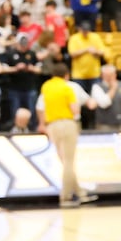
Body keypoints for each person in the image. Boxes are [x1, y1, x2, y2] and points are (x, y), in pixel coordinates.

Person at [39, 62, 93, 207]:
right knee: (69, 162)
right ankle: (66, 197)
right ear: (66, 75)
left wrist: (42, 124)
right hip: (67, 123)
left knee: (64, 161)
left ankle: (80, 193)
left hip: (52, 125)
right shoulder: (67, 87)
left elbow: (41, 107)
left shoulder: (46, 86)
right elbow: (75, 109)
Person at [89, 64, 121, 130]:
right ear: (102, 75)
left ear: (115, 74)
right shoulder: (97, 87)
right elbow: (104, 104)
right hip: (104, 125)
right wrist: (113, 89)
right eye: (107, 75)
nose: (109, 77)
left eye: (111, 75)